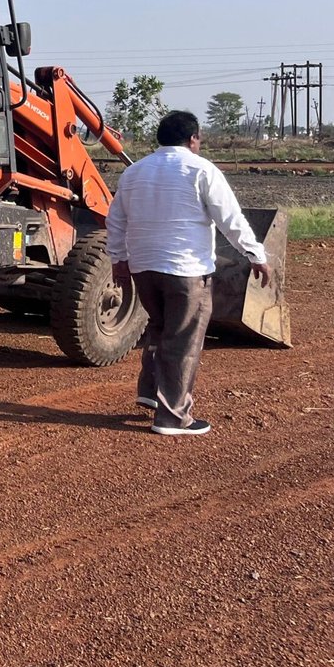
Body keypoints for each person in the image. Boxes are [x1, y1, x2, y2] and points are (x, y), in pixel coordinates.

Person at [106, 110, 272, 436]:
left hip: (144, 268)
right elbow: (230, 219)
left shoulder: (134, 172)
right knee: (183, 340)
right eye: (198, 138)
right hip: (185, 270)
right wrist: (256, 255)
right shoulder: (201, 169)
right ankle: (173, 417)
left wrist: (118, 260)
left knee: (160, 326)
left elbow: (116, 221)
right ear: (193, 138)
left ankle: (150, 392)